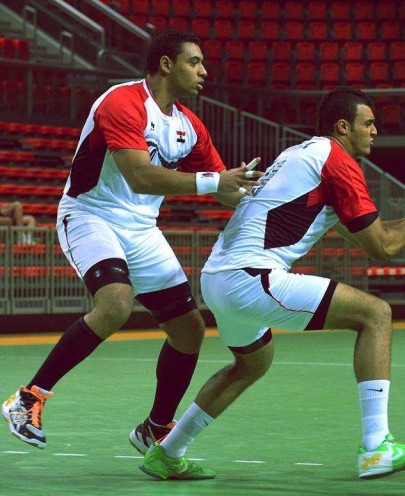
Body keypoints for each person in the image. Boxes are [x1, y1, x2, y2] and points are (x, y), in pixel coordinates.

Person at [138, 86, 405, 481]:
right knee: (376, 315)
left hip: (219, 279)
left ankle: (167, 451)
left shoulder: (301, 155)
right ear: (343, 126)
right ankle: (378, 446)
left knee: (252, 362)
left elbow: (370, 233)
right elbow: (382, 248)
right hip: (250, 277)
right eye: (368, 123)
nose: (375, 131)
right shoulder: (337, 161)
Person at [2, 30, 260, 452]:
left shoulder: (188, 126)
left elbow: (225, 189)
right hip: (90, 215)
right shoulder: (121, 102)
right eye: (194, 62)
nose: (203, 71)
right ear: (165, 64)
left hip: (142, 229)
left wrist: (264, 193)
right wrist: (216, 180)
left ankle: (155, 427)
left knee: (189, 330)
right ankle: (28, 398)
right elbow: (139, 175)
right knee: (116, 304)